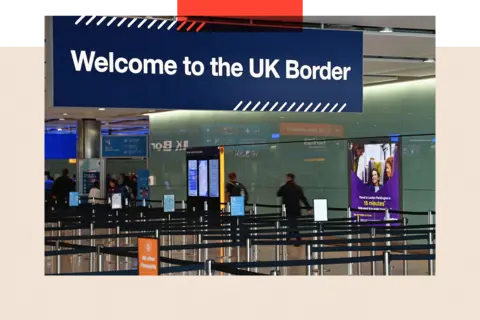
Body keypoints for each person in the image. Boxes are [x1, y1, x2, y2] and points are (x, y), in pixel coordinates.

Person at [276, 173, 312, 246]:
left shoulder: (284, 187)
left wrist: (282, 186)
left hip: (287, 210)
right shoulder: (298, 188)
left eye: (286, 178)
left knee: (291, 225)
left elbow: (278, 194)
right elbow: (303, 198)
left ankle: (293, 239)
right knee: (293, 224)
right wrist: (308, 208)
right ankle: (292, 239)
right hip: (296, 210)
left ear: (289, 178)